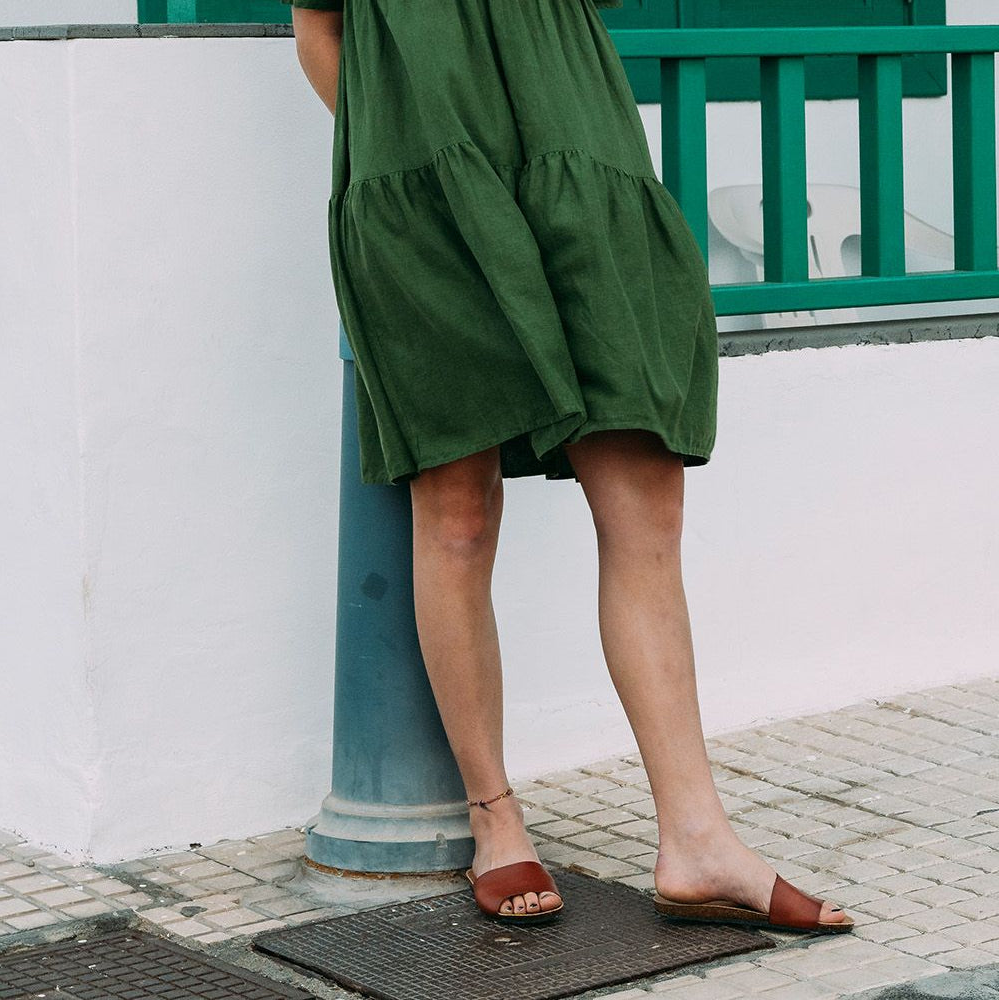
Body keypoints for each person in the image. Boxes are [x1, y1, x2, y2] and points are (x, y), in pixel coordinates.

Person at [284, 0, 853, 934]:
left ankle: (698, 838)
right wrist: (411, 149)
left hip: (584, 169)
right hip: (424, 191)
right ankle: (495, 820)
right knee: (457, 508)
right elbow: (321, 31)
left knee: (643, 494)